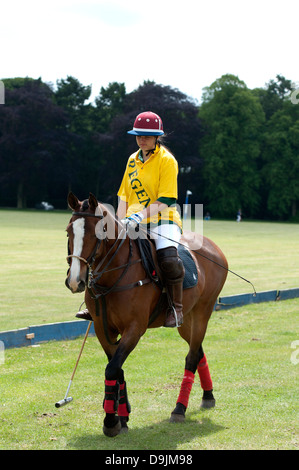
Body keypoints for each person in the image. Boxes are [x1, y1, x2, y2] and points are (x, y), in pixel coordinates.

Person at [77, 111, 184, 327]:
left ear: (157, 138)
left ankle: (176, 308)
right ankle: (96, 304)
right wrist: (117, 223)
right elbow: (124, 195)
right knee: (103, 250)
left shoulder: (167, 161)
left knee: (169, 260)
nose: (141, 139)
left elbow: (167, 198)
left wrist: (139, 216)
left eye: (146, 135)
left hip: (163, 220)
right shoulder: (132, 160)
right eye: (138, 135)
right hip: (131, 221)